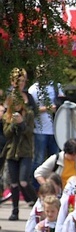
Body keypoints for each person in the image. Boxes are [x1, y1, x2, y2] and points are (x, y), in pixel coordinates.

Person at [3, 72, 37, 220]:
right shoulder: (7, 116)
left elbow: (30, 133)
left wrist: (22, 123)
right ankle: (15, 211)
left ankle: (37, 205)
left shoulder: (28, 114)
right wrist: (12, 124)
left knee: (24, 181)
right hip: (12, 152)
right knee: (14, 183)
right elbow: (6, 134)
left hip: (25, 152)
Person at [28, 77, 64, 169]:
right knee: (39, 160)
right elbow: (31, 109)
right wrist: (47, 108)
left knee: (56, 160)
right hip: (40, 130)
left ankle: (53, 182)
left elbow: (62, 103)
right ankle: (35, 183)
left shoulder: (56, 86)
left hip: (56, 129)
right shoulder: (33, 89)